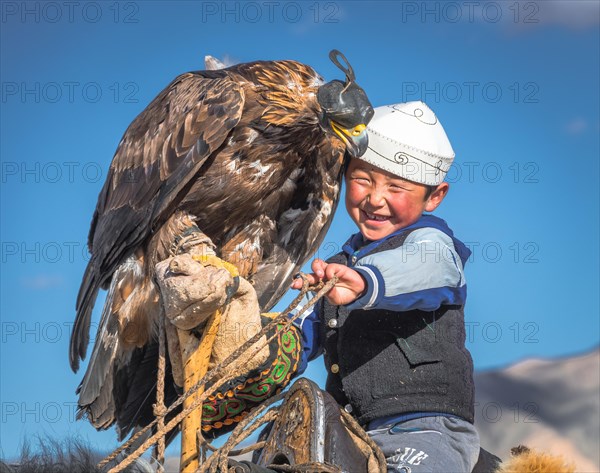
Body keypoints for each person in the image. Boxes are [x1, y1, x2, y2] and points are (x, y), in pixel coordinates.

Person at [290, 101, 480, 473]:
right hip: (344, 433)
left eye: (396, 186)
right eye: (362, 179)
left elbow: (418, 267)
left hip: (425, 430)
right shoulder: (337, 270)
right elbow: (299, 339)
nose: (375, 198)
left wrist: (364, 282)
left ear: (435, 196)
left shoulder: (435, 246)